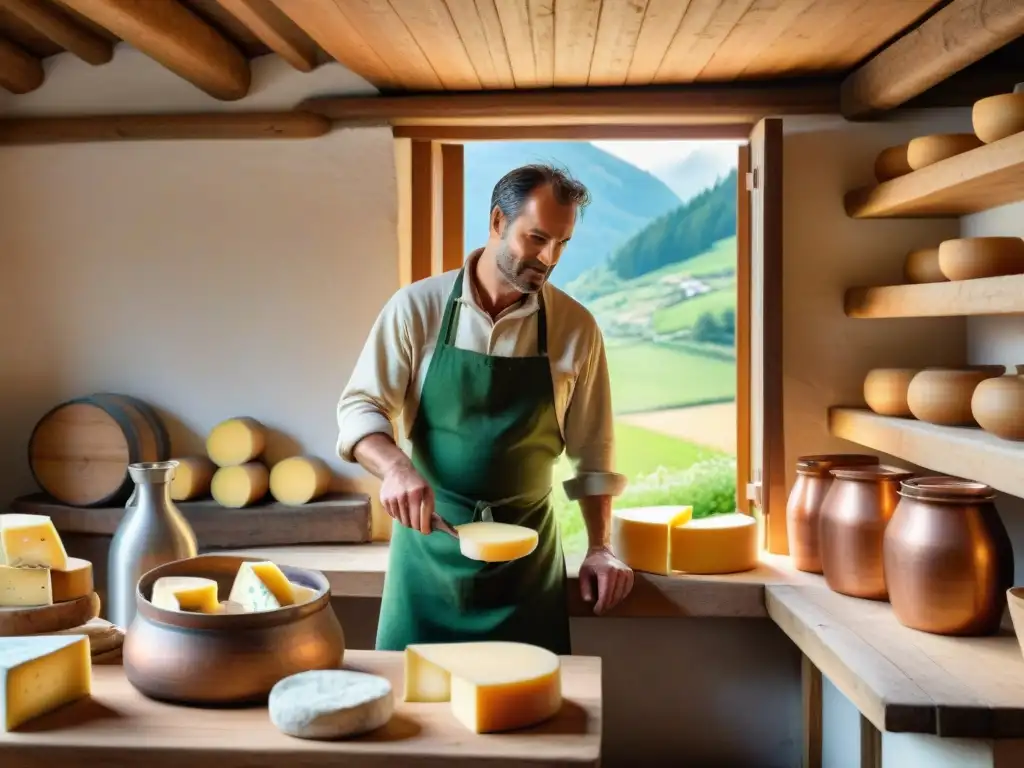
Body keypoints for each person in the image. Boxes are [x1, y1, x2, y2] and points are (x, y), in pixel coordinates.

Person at [336, 163, 634, 655]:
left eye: (562, 243)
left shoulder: (576, 328)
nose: (549, 258)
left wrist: (600, 548)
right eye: (536, 238)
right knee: (416, 718)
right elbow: (359, 407)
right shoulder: (417, 308)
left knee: (532, 718)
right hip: (428, 555)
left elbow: (595, 451)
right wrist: (395, 468)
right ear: (498, 221)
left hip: (526, 567)